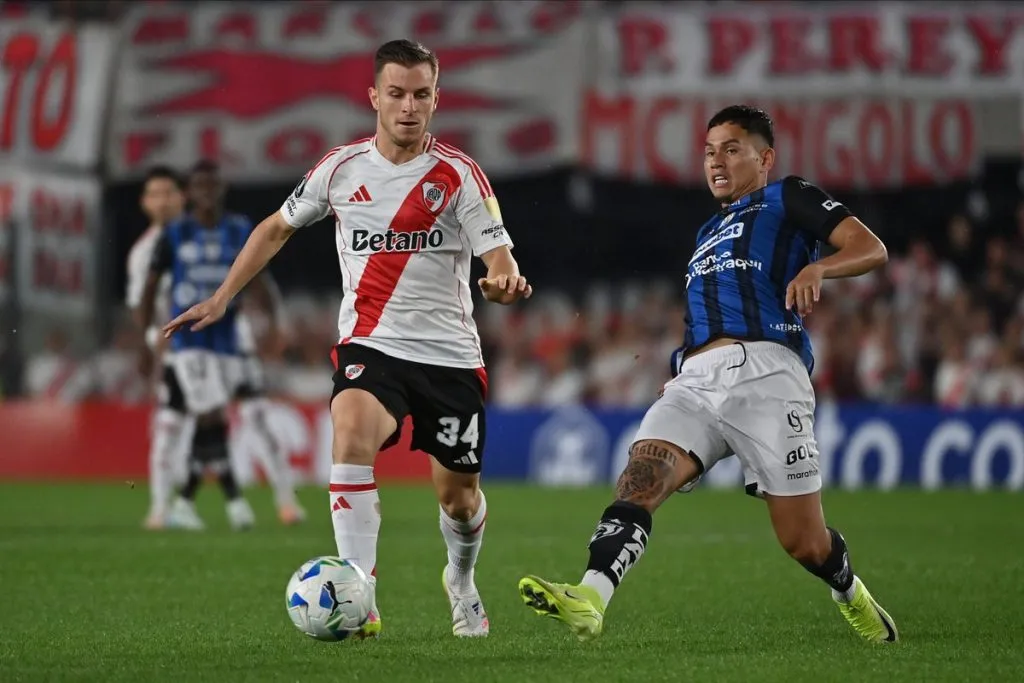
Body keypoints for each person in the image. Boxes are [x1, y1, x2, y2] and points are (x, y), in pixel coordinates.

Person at [163, 39, 531, 638]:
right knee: (351, 429)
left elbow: (498, 253)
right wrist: (223, 296)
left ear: (437, 99)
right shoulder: (339, 169)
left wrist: (503, 281)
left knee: (459, 500)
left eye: (421, 94)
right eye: (396, 94)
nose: (408, 107)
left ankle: (461, 581)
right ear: (374, 98)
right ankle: (359, 590)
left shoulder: (460, 175)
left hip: (449, 355)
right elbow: (277, 228)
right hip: (370, 344)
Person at [517, 105, 898, 644]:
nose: (716, 161)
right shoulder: (706, 232)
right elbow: (704, 316)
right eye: (708, 151)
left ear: (764, 158)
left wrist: (819, 267)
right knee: (640, 477)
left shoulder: (787, 195)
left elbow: (870, 248)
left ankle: (848, 590)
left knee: (804, 543)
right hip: (695, 381)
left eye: (732, 148)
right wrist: (682, 365)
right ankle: (590, 596)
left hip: (769, 373)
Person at [141, 160, 273, 531]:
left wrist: (271, 320)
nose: (206, 192)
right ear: (189, 192)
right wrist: (146, 341)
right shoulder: (175, 233)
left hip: (226, 341)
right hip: (185, 340)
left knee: (211, 419)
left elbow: (257, 275)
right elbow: (150, 289)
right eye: (199, 185)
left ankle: (184, 501)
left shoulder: (238, 229)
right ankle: (233, 501)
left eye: (212, 184)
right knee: (206, 416)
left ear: (222, 188)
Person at [125, 165, 188, 530]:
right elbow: (141, 308)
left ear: (182, 197)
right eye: (155, 194)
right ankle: (161, 507)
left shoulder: (204, 235)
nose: (162, 201)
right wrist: (149, 347)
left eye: (169, 192)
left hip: (219, 348)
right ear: (145, 203)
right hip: (174, 351)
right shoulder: (143, 252)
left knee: (252, 419)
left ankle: (282, 502)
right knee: (168, 427)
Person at [233, 279, 307, 526]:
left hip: (239, 357)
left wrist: (274, 325)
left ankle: (286, 501)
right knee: (190, 422)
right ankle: (167, 506)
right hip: (201, 351)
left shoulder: (232, 248)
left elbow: (262, 285)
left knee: (258, 421)